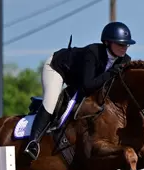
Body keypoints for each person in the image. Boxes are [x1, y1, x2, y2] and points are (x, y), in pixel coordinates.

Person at [24, 21, 136, 159]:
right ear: (107, 42)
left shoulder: (125, 60)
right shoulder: (92, 53)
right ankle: (33, 143)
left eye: (126, 44)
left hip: (78, 80)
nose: (124, 48)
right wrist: (112, 72)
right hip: (58, 68)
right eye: (120, 44)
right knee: (52, 101)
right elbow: (87, 86)